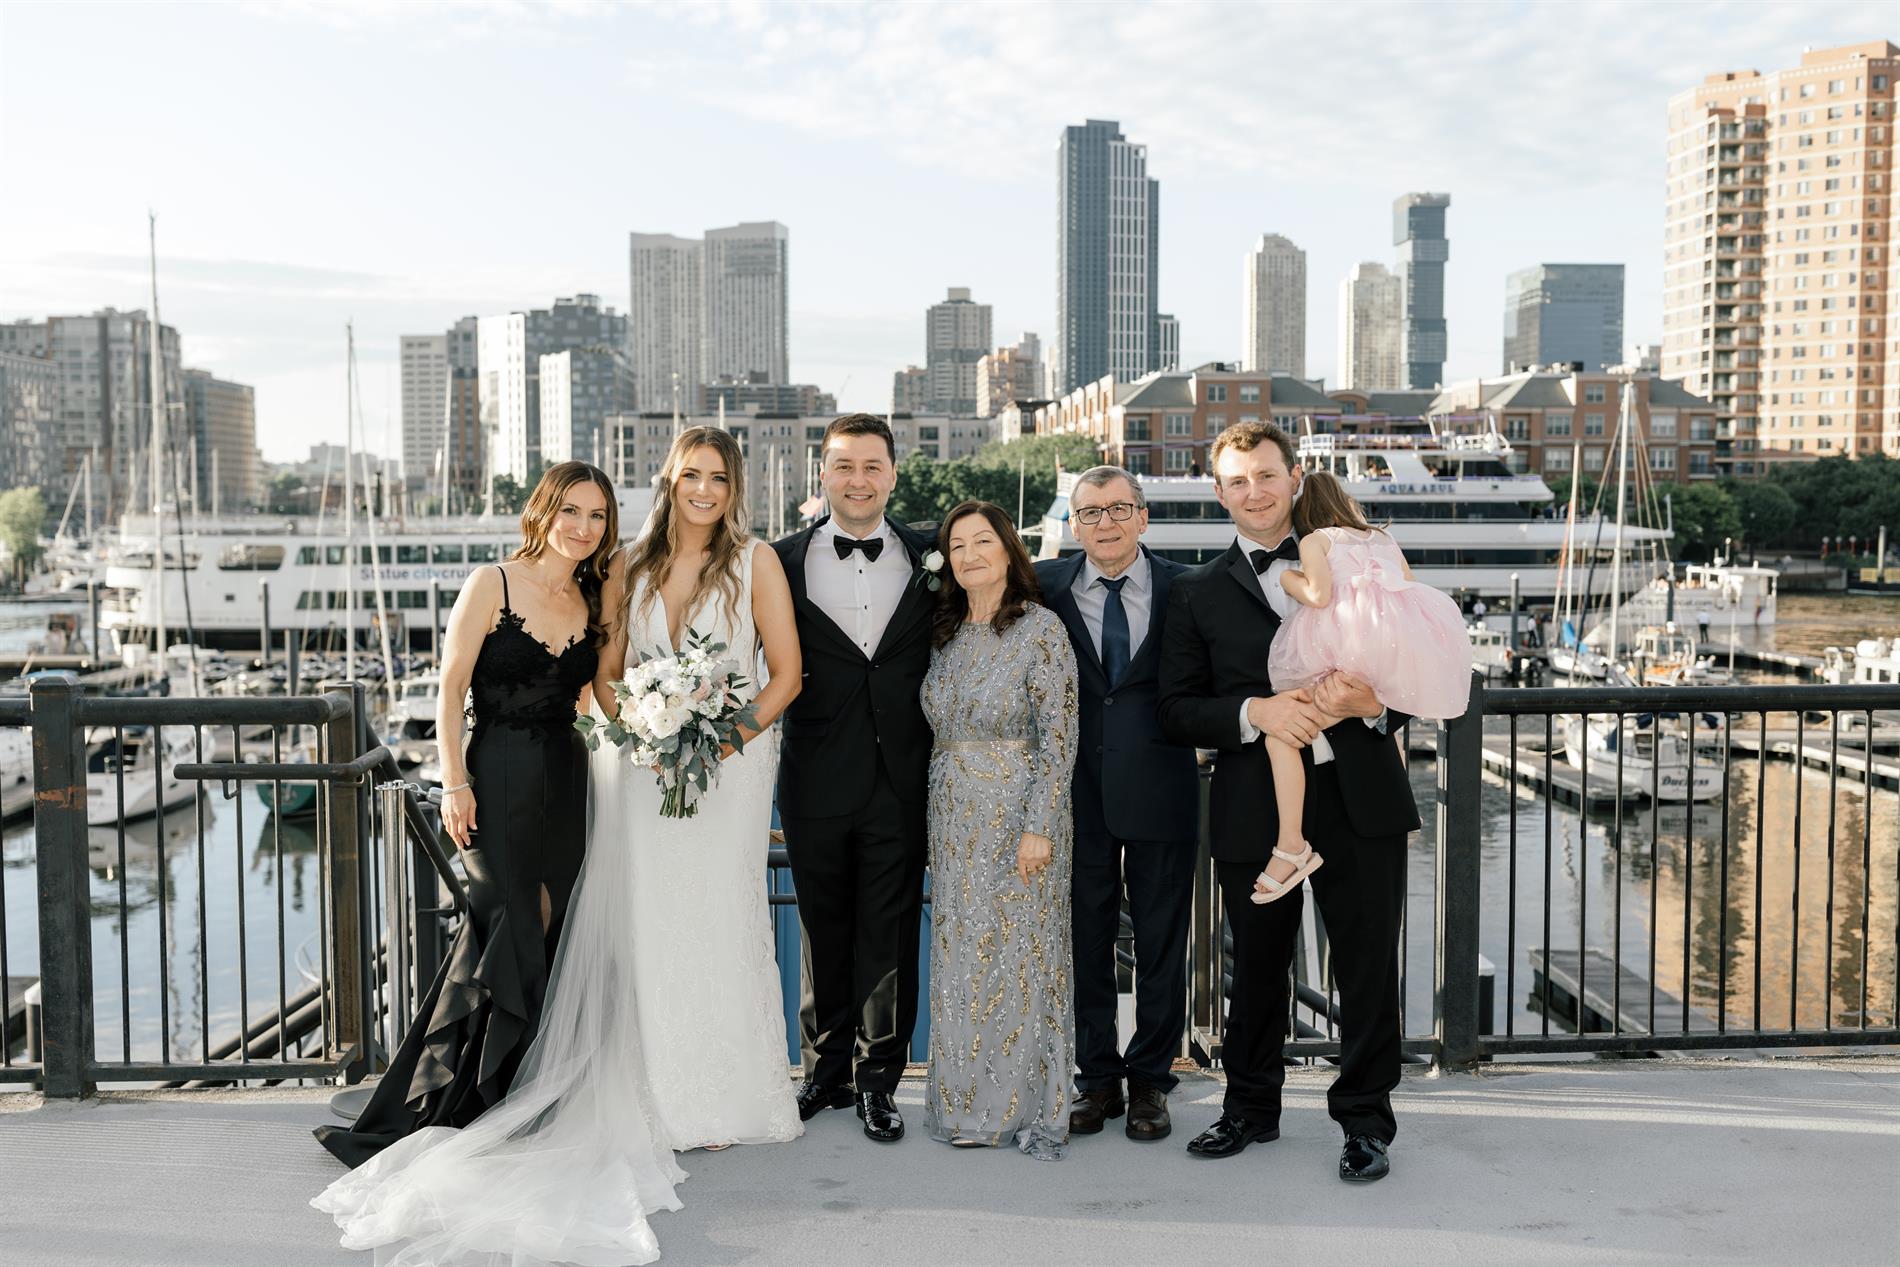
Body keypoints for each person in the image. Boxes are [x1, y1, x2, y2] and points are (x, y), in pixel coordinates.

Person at [315, 466, 686, 1267]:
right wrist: (454, 781)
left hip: (566, 779)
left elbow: (603, 693)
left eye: (598, 515)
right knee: (503, 920)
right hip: (495, 776)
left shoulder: (595, 598)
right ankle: (462, 1098)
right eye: (571, 510)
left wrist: (658, 730)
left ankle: (525, 1092)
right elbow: (450, 688)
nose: (583, 526)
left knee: (554, 927)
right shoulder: (493, 582)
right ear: (542, 511)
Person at [1158, 421, 1420, 1184]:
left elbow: (1419, 666)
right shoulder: (1194, 592)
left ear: (1296, 477)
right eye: (1238, 481)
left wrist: (1377, 704)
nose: (1255, 492)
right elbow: (1176, 707)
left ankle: (1365, 1122)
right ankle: (1249, 1109)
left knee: (1366, 969)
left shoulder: (1356, 557)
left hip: (1360, 795)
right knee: (1256, 967)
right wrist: (1255, 713)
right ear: (1219, 492)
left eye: (1267, 475)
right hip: (1253, 800)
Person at [588, 425, 804, 1151]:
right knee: (651, 920)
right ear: (670, 480)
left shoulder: (755, 561)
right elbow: (607, 674)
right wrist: (646, 733)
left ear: (734, 486)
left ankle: (721, 1099)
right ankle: (656, 1097)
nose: (704, 490)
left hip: (731, 769)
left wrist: (717, 743)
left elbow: (786, 677)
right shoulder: (627, 565)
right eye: (692, 475)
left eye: (718, 477)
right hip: (647, 770)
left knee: (718, 914)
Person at [773, 413, 937, 1143]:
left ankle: (879, 1083)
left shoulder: (932, 554)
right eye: (844, 466)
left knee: (890, 937)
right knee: (821, 928)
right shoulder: (779, 562)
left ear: (893, 474)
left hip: (903, 776)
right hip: (814, 776)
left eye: (872, 466)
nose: (859, 480)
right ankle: (824, 1072)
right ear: (823, 474)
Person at [1033, 467, 1199, 1142]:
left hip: (1162, 789)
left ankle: (1151, 1082)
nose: (1105, 523)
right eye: (1091, 512)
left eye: (1118, 509)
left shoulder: (1187, 586)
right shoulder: (1042, 586)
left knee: (1161, 945)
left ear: (1143, 517)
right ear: (1073, 525)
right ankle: (1096, 1079)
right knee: (1085, 942)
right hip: (1074, 793)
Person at [920, 501, 1078, 1158]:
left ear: (1010, 550)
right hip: (953, 819)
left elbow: (1060, 737)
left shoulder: (1041, 629)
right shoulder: (944, 632)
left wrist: (1040, 825)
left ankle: (1024, 1108)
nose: (970, 555)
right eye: (957, 545)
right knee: (963, 957)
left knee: (1021, 957)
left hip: (1020, 815)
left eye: (983, 541)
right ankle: (965, 1103)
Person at [1255, 470, 1471, 903]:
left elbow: (1318, 596)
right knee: (1378, 722)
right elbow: (1409, 589)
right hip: (1385, 653)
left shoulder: (1316, 540)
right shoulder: (1383, 538)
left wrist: (1288, 580)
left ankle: (1292, 845)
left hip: (1346, 655)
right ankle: (1400, 807)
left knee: (1281, 737)